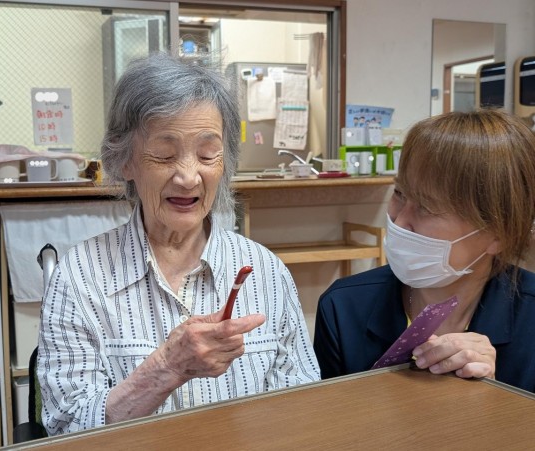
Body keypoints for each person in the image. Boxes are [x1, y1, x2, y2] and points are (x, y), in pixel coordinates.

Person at [37, 52, 319, 435]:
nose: (188, 177)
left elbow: (302, 407)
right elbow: (66, 430)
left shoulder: (266, 273)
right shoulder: (79, 279)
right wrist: (167, 367)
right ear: (125, 161)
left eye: (207, 154)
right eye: (165, 155)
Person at [314, 109, 535, 393]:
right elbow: (330, 416)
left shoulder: (528, 317)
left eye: (427, 208)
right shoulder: (344, 307)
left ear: (499, 234)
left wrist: (495, 396)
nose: (399, 222)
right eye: (399, 194)